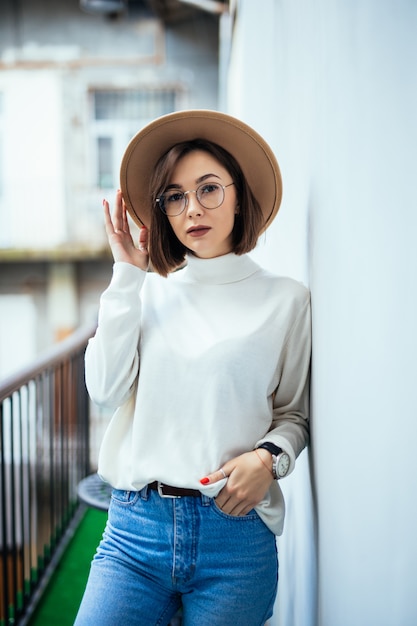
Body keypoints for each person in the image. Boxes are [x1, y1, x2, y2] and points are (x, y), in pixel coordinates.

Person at [74, 110, 311, 626]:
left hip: (235, 537)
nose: (192, 209)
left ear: (239, 194)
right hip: (136, 531)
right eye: (175, 197)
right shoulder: (145, 289)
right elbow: (104, 389)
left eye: (208, 189)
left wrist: (269, 460)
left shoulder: (286, 300)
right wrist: (125, 276)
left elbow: (294, 414)